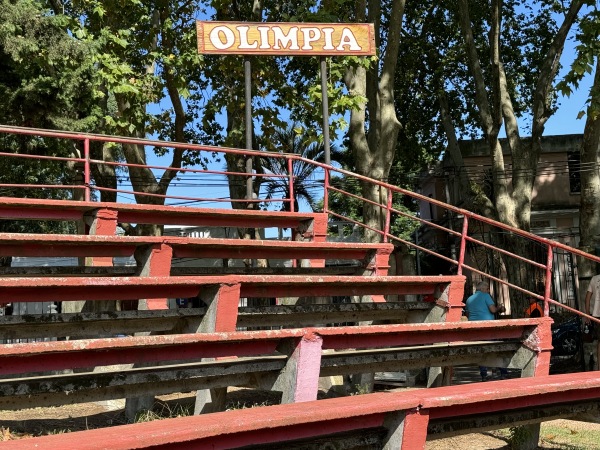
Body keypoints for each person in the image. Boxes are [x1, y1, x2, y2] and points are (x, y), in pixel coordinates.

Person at [465, 280, 508, 381]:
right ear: (483, 289)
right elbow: (493, 310)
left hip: (475, 328)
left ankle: (484, 374)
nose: (488, 290)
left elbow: (467, 315)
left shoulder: (469, 299)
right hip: (488, 327)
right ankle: (503, 372)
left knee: (481, 351)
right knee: (496, 349)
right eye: (487, 288)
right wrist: (499, 308)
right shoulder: (486, 296)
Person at [584, 274, 600, 371]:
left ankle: (599, 368)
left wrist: (587, 314)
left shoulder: (594, 278)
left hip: (597, 314)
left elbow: (587, 298)